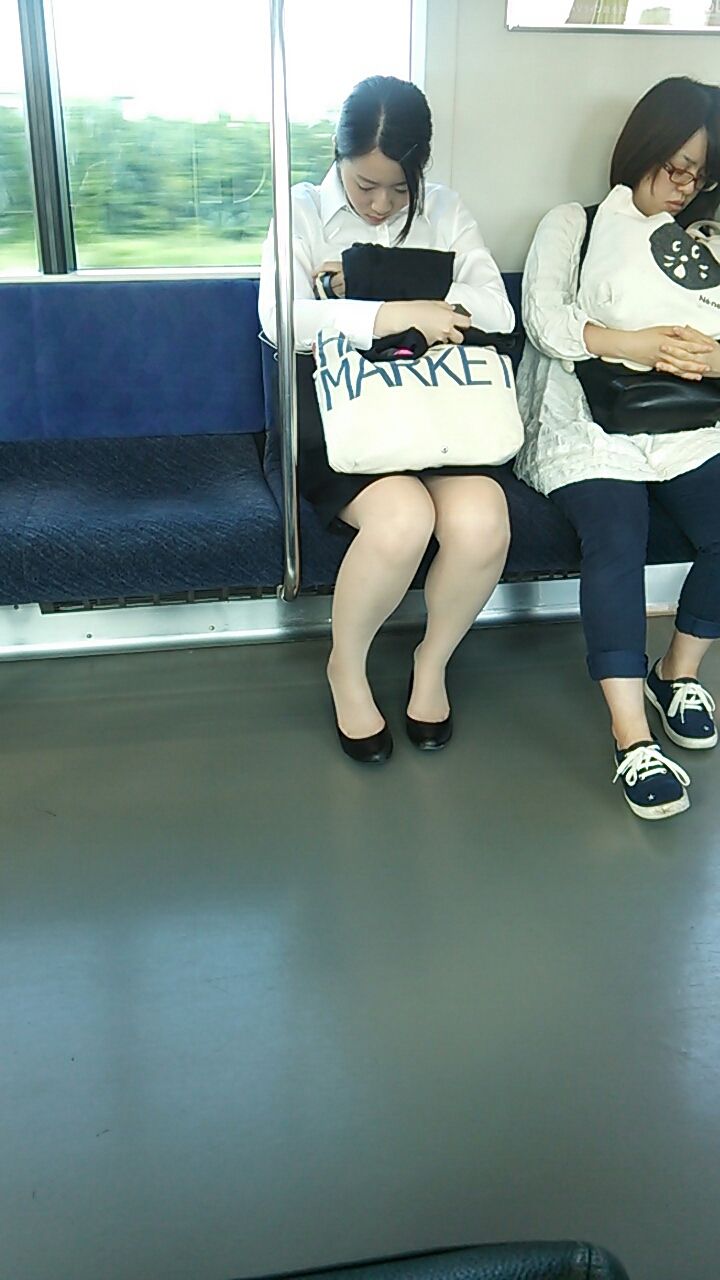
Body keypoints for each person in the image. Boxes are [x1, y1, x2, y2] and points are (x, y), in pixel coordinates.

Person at [259, 75, 515, 763]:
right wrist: (401, 311)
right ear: (338, 157)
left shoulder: (446, 209)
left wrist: (371, 279)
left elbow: (497, 311)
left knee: (484, 520)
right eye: (364, 185)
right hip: (346, 422)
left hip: (439, 417)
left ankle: (432, 661)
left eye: (399, 190)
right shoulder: (301, 209)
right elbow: (283, 320)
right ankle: (346, 665)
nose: (379, 205)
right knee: (403, 519)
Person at [515, 76, 720, 820]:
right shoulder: (573, 223)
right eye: (676, 167)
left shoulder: (704, 239)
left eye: (701, 175)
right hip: (586, 419)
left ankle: (678, 670)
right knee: (617, 535)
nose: (685, 187)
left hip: (685, 420)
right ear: (642, 147)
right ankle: (632, 736)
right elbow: (544, 321)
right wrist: (632, 343)